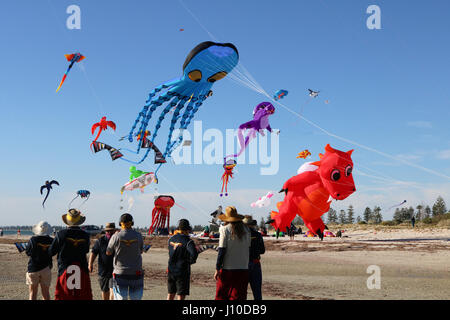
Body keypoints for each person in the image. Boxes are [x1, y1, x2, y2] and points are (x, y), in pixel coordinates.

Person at [49, 209, 93, 300]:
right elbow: (86, 250)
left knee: (64, 295)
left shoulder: (61, 234)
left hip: (65, 268)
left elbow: (51, 251)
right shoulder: (85, 235)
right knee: (82, 296)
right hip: (81, 268)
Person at [214, 206, 251, 300]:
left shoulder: (224, 229)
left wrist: (217, 268)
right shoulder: (247, 230)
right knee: (239, 297)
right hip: (243, 268)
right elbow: (248, 248)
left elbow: (221, 250)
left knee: (221, 296)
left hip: (227, 269)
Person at [106, 213, 144, 300]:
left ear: (120, 223)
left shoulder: (116, 236)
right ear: (132, 223)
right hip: (136, 272)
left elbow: (108, 252)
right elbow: (141, 251)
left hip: (120, 273)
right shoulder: (138, 236)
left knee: (120, 298)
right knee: (136, 298)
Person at [167, 219, 198, 300]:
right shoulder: (188, 241)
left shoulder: (171, 239)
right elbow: (194, 254)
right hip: (182, 271)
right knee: (181, 295)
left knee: (170, 293)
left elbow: (170, 252)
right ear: (188, 229)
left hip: (171, 269)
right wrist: (189, 262)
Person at [25, 221, 53, 300]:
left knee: (32, 293)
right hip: (46, 267)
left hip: (33, 267)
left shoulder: (33, 240)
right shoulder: (51, 240)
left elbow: (28, 252)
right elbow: (53, 252)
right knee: (46, 293)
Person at [88, 222, 117, 300]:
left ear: (114, 231)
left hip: (115, 270)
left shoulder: (118, 241)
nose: (109, 232)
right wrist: (90, 264)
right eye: (108, 231)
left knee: (113, 291)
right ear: (105, 231)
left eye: (111, 231)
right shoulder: (100, 241)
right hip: (103, 271)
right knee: (104, 291)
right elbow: (94, 253)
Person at [243, 215, 265, 300]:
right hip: (255, 263)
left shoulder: (241, 235)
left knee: (242, 291)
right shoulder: (258, 235)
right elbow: (262, 250)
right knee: (257, 293)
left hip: (243, 264)